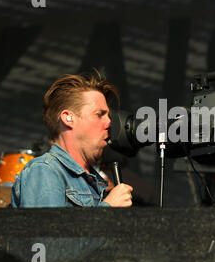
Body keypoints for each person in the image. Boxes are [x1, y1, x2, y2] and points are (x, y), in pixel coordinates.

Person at [11, 72, 133, 207]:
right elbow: (47, 228)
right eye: (99, 115)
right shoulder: (45, 171)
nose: (109, 123)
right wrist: (108, 207)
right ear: (68, 118)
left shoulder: (93, 181)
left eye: (108, 116)